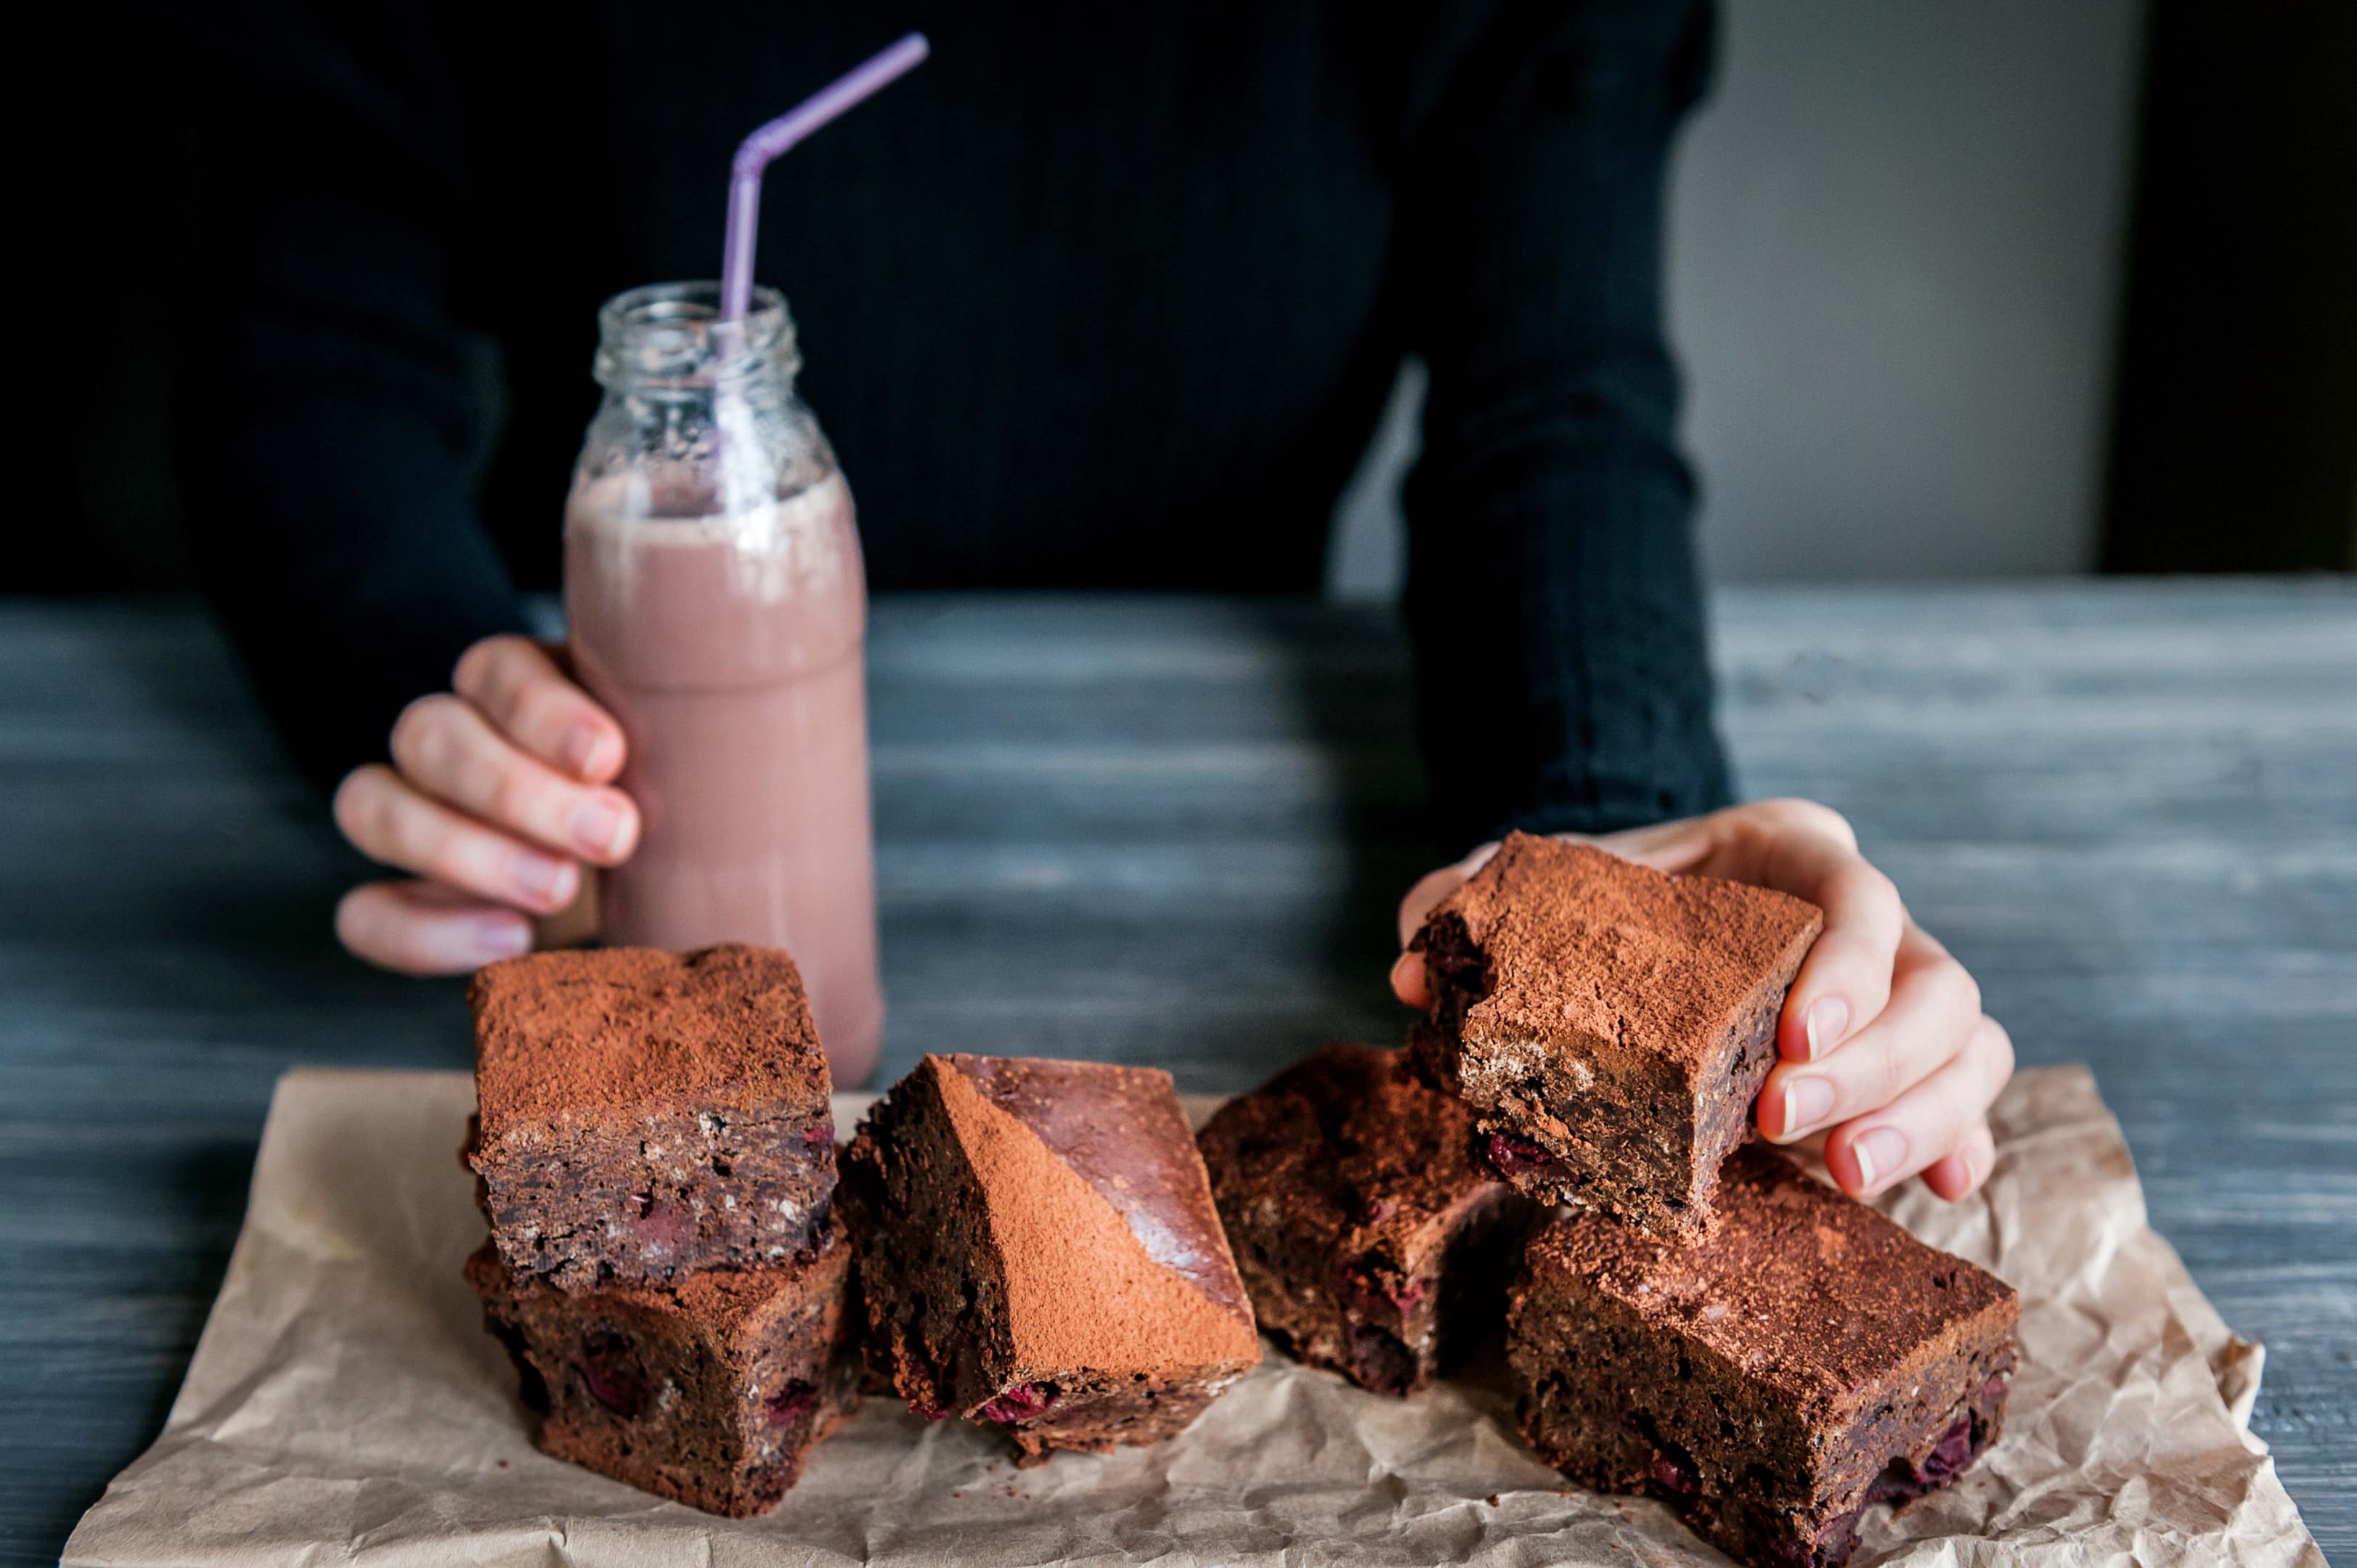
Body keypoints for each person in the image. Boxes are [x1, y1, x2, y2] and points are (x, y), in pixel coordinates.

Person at [181, 0, 2011, 1204]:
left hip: (1217, 743)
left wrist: (1620, 874)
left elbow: (1556, 417)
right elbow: (302, 356)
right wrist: (443, 699)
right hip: (607, 821)